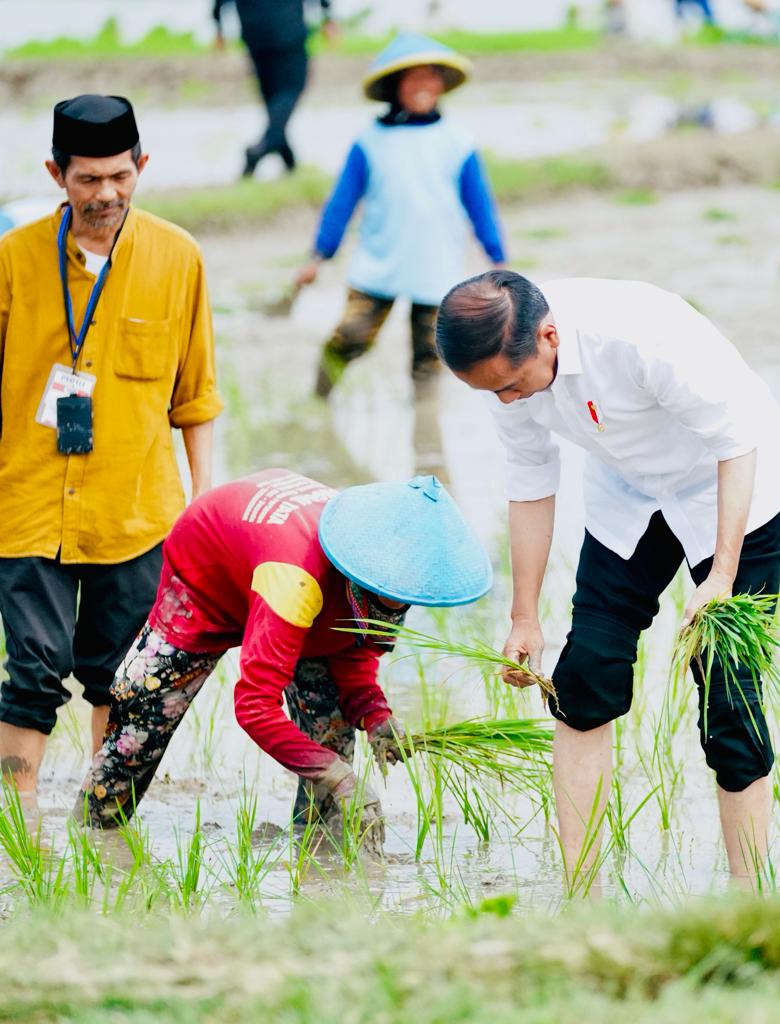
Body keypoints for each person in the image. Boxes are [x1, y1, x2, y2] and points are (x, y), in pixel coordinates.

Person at [435, 271, 780, 886]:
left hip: (731, 490)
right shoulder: (505, 369)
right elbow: (529, 480)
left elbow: (735, 442)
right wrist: (524, 616)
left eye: (512, 385)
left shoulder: (640, 336)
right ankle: (582, 890)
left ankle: (750, 898)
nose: (507, 401)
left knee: (729, 698)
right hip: (631, 496)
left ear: (549, 337)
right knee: (584, 677)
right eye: (492, 391)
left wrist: (721, 575)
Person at [73, 469, 491, 851]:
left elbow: (354, 649)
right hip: (207, 572)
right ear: (362, 573)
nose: (398, 603)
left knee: (332, 727)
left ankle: (320, 852)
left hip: (289, 573)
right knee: (141, 719)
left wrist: (375, 715)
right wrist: (336, 774)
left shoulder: (392, 574)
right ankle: (92, 837)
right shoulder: (296, 578)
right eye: (388, 595)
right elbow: (254, 706)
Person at [0, 95, 223, 795]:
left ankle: (103, 823)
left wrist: (202, 501)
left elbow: (196, 395)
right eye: (88, 179)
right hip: (27, 502)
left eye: (120, 176)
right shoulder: (13, 259)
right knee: (31, 673)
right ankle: (17, 826)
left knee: (121, 676)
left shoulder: (178, 257)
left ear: (141, 166)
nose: (106, 194)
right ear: (56, 174)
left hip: (136, 510)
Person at [295, 33, 507, 398]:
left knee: (431, 355)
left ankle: (425, 425)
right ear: (396, 86)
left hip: (436, 265)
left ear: (441, 84)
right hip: (380, 262)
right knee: (351, 336)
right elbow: (341, 203)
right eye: (413, 77)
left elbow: (480, 205)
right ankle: (319, 397)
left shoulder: (458, 142)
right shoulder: (370, 141)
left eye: (430, 76)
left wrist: (498, 258)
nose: (423, 85)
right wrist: (319, 256)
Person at [213, 0, 334, 178]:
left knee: (272, 100)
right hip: (288, 31)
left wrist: (218, 26)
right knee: (291, 90)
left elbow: (219, 3)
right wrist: (327, 15)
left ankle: (289, 162)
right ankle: (261, 148)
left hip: (255, 35)